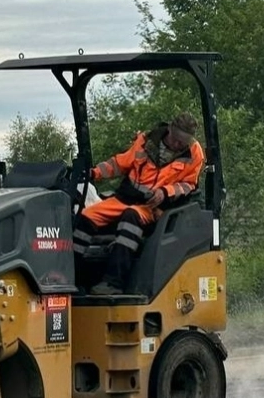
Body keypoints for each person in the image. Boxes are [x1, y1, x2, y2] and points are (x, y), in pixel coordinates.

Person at [73, 112, 204, 295]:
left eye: (183, 142)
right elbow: (119, 164)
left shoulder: (194, 152)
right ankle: (73, 279)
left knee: (131, 217)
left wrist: (165, 192)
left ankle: (112, 283)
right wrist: (93, 173)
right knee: (86, 217)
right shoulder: (145, 141)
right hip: (125, 198)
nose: (177, 145)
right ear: (169, 130)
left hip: (152, 207)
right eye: (176, 139)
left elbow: (189, 184)